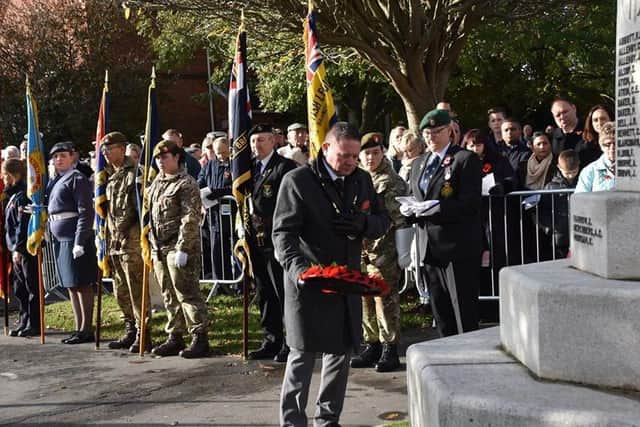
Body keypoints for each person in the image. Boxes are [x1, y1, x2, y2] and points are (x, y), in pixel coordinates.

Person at [273, 121, 389, 426]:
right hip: (308, 283)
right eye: (344, 155)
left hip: (346, 281)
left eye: (355, 156)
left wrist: (363, 225)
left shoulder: (361, 179)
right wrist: (301, 271)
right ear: (326, 148)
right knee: (302, 354)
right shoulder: (297, 181)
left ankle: (327, 420)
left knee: (339, 354)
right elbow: (283, 235)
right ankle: (293, 421)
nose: (351, 162)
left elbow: (383, 219)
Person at [407, 109, 482, 337]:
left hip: (457, 247)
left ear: (449, 130)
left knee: (463, 311)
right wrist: (408, 209)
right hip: (429, 247)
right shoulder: (419, 163)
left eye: (437, 131)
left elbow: (470, 203)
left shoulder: (464, 159)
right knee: (440, 311)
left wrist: (438, 207)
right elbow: (414, 194)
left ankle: (469, 358)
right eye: (427, 133)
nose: (431, 137)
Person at [147, 139, 210, 358]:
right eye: (157, 158)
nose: (160, 162)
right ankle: (175, 335)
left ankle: (199, 336)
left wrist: (183, 247)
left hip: (178, 247)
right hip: (158, 247)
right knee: (168, 294)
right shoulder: (156, 183)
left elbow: (189, 217)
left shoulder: (186, 183)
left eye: (164, 157)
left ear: (177, 158)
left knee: (186, 292)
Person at [351, 132, 407, 373]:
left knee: (384, 299)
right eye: (366, 153)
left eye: (375, 152)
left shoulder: (390, 181)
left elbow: (397, 218)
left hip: (383, 249)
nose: (371, 157)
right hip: (362, 250)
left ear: (383, 152)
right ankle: (371, 342)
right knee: (364, 297)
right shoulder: (358, 179)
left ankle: (389, 347)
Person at [247, 124, 297, 362]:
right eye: (254, 141)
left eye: (262, 140)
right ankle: (271, 339)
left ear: (274, 141)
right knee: (264, 291)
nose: (257, 145)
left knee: (282, 292)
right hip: (255, 240)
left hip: (276, 238)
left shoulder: (284, 168)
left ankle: (290, 341)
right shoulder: (248, 169)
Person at [101, 132, 150, 353]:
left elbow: (134, 208)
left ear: (122, 148)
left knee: (135, 287)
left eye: (109, 149)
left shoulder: (135, 173)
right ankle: (129, 327)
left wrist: (120, 231)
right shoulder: (111, 176)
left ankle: (143, 332)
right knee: (120, 288)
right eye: (104, 150)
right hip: (115, 242)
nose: (105, 153)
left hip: (130, 240)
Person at [46, 141, 98, 344]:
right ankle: (78, 327)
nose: (59, 159)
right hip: (60, 238)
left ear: (72, 157)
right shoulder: (56, 180)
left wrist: (79, 240)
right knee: (70, 285)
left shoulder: (77, 179)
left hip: (74, 237)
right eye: (56, 156)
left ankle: (86, 328)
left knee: (82, 283)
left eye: (63, 155)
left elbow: (85, 211)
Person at [3, 158, 40, 337]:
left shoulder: (24, 194)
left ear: (11, 175)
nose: (3, 179)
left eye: (4, 175)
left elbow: (22, 223)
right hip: (16, 248)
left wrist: (18, 248)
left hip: (25, 248)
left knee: (31, 285)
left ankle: (34, 322)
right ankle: (24, 320)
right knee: (20, 288)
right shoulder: (13, 195)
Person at [197, 136, 234, 281]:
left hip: (232, 214)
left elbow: (236, 187)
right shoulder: (210, 165)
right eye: (218, 153)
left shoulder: (235, 164)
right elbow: (200, 181)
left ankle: (238, 283)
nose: (222, 156)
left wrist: (217, 192)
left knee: (235, 249)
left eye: (224, 153)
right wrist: (203, 191)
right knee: (217, 250)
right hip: (214, 215)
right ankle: (220, 281)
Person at [538, 149, 580, 258]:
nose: (571, 176)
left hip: (579, 231)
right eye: (567, 173)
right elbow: (543, 209)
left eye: (574, 172)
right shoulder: (551, 187)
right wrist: (549, 227)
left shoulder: (583, 182)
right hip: (559, 234)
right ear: (559, 168)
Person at [575, 122, 616, 193]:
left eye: (617, 143)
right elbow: (580, 201)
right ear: (601, 146)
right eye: (608, 144)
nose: (612, 148)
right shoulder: (589, 171)